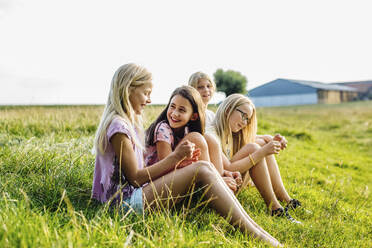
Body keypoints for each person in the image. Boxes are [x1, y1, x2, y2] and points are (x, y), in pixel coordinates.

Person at [91, 63, 282, 247]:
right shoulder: (118, 127)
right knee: (202, 169)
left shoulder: (128, 123)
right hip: (122, 206)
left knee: (204, 168)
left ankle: (259, 231)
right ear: (127, 89)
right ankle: (257, 235)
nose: (149, 100)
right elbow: (134, 178)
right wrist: (176, 158)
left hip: (134, 196)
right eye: (146, 93)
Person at [207, 93, 302, 223]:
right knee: (255, 149)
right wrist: (262, 152)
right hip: (223, 188)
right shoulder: (211, 134)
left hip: (235, 180)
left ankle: (286, 199)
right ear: (228, 110)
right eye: (243, 116)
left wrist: (269, 139)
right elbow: (227, 168)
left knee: (260, 145)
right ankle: (275, 208)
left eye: (248, 119)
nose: (245, 123)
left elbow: (255, 139)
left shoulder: (230, 132)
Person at [145, 85, 242, 193]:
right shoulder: (163, 128)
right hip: (158, 182)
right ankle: (216, 184)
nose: (174, 113)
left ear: (193, 117)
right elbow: (165, 165)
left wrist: (224, 172)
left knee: (209, 139)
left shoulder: (187, 130)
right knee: (196, 138)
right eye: (172, 106)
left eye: (181, 110)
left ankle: (218, 182)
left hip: (176, 175)